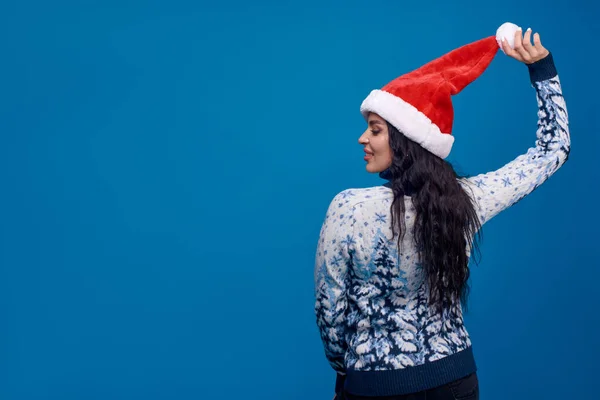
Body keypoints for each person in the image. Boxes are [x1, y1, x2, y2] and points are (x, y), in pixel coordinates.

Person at [314, 22, 570, 400]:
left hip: (374, 386)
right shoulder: (467, 200)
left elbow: (330, 313)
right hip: (455, 380)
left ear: (405, 139)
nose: (363, 138)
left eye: (375, 129)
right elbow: (553, 150)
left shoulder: (348, 208)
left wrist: (352, 368)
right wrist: (543, 71)